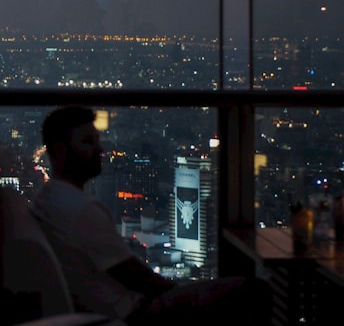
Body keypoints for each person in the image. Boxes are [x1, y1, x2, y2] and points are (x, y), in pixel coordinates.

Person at [30, 105, 269, 325]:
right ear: (60, 150)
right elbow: (138, 278)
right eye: (87, 142)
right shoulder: (82, 210)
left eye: (96, 140)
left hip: (109, 310)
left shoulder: (46, 199)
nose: (99, 149)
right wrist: (184, 294)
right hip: (135, 313)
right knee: (253, 290)